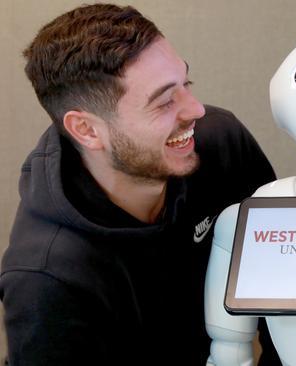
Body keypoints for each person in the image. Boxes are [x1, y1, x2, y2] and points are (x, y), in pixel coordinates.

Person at [0, 4, 279, 365]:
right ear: (87, 130)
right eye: (164, 102)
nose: (195, 110)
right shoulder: (46, 280)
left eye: (186, 83)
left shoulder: (220, 143)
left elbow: (281, 282)